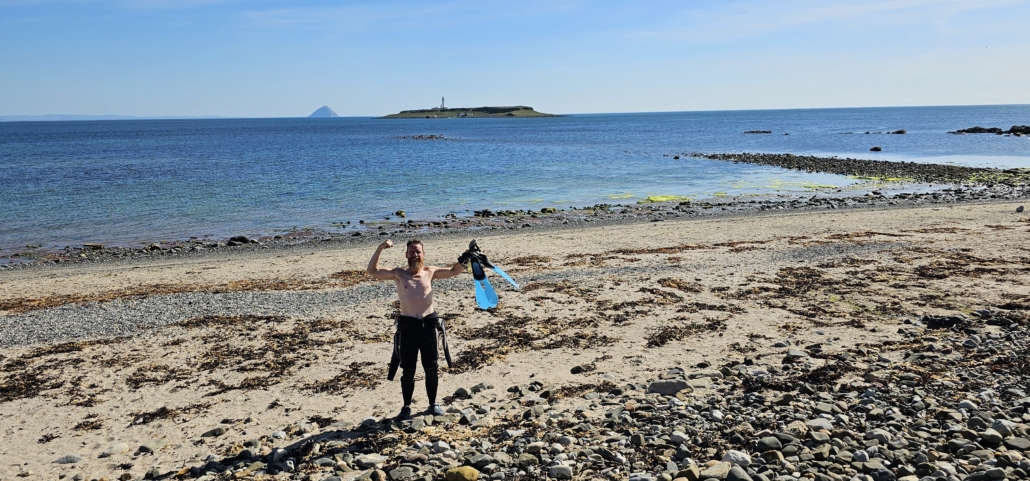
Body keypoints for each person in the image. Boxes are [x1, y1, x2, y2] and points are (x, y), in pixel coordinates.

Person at [365, 238, 465, 420]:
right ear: (406, 255)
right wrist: (380, 248)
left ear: (423, 254)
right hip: (408, 326)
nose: (415, 255)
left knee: (431, 367)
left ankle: (433, 404)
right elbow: (372, 271)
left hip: (428, 325)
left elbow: (454, 271)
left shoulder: (430, 271)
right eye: (412, 252)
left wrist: (467, 257)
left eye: (418, 252)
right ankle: (406, 406)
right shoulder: (398, 273)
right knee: (408, 369)